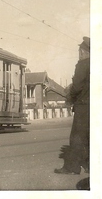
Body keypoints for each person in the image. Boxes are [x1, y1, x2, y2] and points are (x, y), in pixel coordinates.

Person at [54, 36, 90, 175]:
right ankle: (90, 166)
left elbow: (77, 87)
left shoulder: (83, 64)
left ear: (82, 51)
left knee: (77, 138)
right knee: (90, 137)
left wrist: (71, 97)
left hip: (83, 106)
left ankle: (72, 167)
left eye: (79, 51)